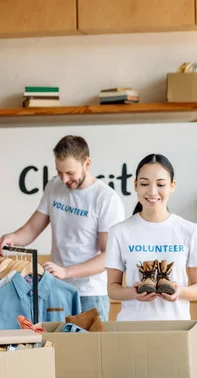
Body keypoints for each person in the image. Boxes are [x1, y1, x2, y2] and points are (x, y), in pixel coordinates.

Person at [0, 135, 125, 321]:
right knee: (56, 347)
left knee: (89, 349)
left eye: (70, 173)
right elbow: (32, 229)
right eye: (59, 172)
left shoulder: (105, 199)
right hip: (55, 290)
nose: (65, 179)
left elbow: (109, 256)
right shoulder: (54, 187)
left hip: (90, 294)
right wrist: (12, 238)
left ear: (87, 164)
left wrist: (67, 272)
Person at [105, 154, 197, 321]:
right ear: (136, 185)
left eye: (160, 184)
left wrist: (179, 291)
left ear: (172, 186)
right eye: (145, 184)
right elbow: (112, 289)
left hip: (176, 328)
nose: (152, 192)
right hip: (132, 327)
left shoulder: (190, 230)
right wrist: (134, 293)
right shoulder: (119, 231)